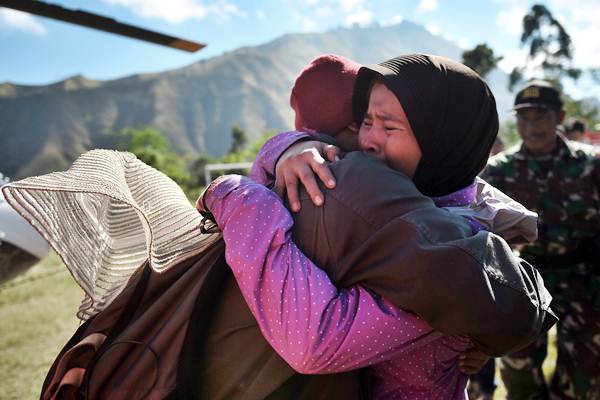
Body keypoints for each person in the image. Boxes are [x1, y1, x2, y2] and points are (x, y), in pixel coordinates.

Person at [199, 54, 554, 399]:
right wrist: (292, 146)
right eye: (366, 121)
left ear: (443, 139)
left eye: (389, 126)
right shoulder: (416, 198)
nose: (367, 141)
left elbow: (316, 342)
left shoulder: (446, 251)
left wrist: (237, 196)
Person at [482, 80, 600, 399]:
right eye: (524, 118)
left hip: (584, 282)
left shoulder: (590, 164)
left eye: (541, 117)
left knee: (584, 376)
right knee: (518, 371)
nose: (531, 126)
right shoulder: (498, 171)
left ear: (560, 116)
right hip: (525, 283)